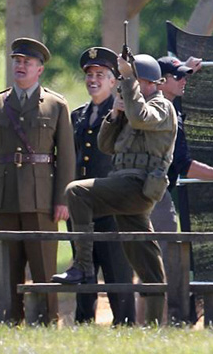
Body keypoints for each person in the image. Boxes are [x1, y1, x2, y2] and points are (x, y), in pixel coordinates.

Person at [52, 54, 178, 325]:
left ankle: (83, 268)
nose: (124, 87)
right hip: (125, 188)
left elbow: (143, 118)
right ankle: (155, 327)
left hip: (138, 186)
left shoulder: (161, 107)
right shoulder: (129, 107)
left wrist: (129, 84)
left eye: (132, 81)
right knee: (146, 261)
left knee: (76, 191)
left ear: (147, 82)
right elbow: (106, 146)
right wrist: (115, 113)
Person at [0, 37, 76, 325]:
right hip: (4, 195)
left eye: (26, 62)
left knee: (43, 263)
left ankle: (46, 318)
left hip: (41, 197)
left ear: (39, 69)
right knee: (8, 265)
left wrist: (62, 199)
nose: (20, 66)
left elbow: (66, 157)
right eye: (17, 61)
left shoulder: (56, 105)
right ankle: (8, 318)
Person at [147, 56, 213, 323]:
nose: (184, 81)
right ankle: (167, 323)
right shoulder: (163, 110)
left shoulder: (159, 106)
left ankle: (146, 324)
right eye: (179, 76)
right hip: (155, 198)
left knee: (147, 266)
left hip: (145, 194)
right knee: (166, 265)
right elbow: (183, 165)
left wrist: (185, 69)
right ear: (161, 81)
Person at [69, 47, 135, 326]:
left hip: (112, 205)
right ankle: (84, 326)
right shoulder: (77, 116)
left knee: (117, 273)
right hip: (83, 208)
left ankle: (126, 326)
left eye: (101, 74)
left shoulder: (124, 113)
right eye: (90, 75)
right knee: (84, 272)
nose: (93, 79)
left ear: (113, 81)